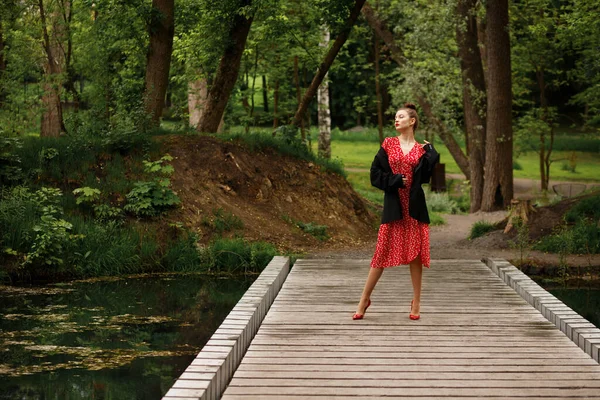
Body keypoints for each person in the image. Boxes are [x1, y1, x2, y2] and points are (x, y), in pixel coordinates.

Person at [353, 102, 439, 321]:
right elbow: (374, 173)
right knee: (381, 253)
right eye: (395, 117)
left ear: (412, 121)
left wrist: (431, 153)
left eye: (400, 117)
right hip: (394, 205)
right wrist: (394, 180)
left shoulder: (421, 150)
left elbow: (427, 177)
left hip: (415, 207)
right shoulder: (389, 144)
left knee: (416, 256)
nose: (396, 120)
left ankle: (416, 301)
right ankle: (364, 299)